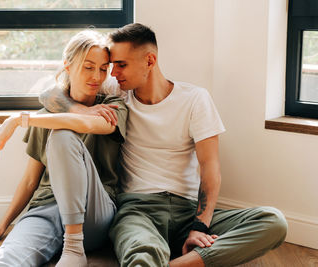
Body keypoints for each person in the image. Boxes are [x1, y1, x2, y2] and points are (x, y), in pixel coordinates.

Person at [41, 23, 288, 267]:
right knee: (142, 254)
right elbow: (49, 93)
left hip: (188, 210)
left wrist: (199, 226)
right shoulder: (119, 95)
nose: (112, 73)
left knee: (273, 222)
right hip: (138, 210)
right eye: (112, 66)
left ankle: (181, 264)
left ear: (149, 61)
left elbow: (210, 168)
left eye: (121, 65)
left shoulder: (194, 98)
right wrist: (81, 110)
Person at [0, 30, 128, 267]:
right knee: (4, 262)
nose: (97, 76)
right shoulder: (46, 116)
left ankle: (73, 247)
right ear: (68, 67)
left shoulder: (112, 107)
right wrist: (1, 227)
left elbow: (87, 123)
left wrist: (19, 119)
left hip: (94, 211)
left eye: (103, 68)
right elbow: (30, 180)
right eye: (88, 67)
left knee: (61, 135)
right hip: (47, 209)